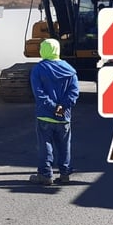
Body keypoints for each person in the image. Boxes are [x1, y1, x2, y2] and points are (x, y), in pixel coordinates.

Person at [29, 38, 80, 186]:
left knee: (45, 145)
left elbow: (39, 94)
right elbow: (74, 92)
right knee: (64, 146)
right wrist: (62, 107)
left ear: (43, 50)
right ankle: (65, 174)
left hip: (45, 115)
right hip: (64, 117)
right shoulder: (70, 70)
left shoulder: (38, 69)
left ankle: (46, 175)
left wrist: (53, 107)